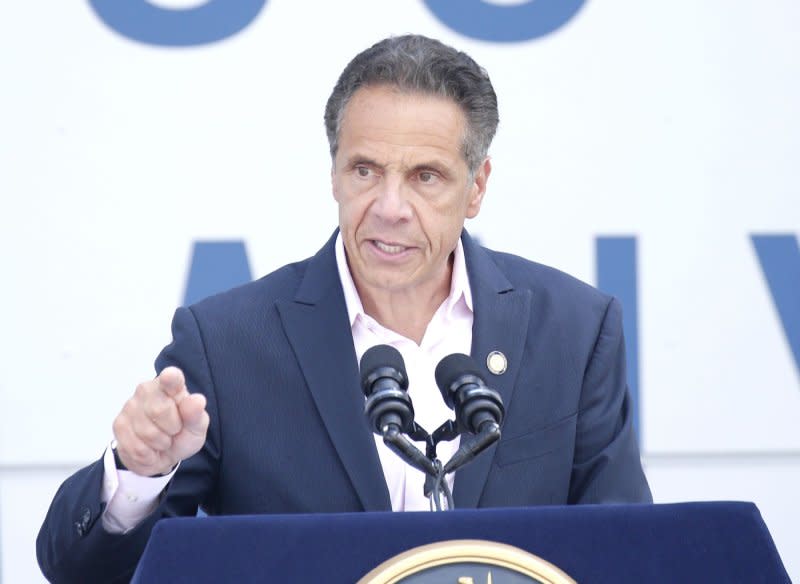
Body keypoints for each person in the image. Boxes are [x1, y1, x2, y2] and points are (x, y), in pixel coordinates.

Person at [37, 34, 651, 583]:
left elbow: (631, 554)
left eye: (426, 177)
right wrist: (139, 474)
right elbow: (78, 571)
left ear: (477, 187)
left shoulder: (574, 330)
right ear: (334, 173)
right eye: (365, 169)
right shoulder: (227, 343)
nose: (389, 206)